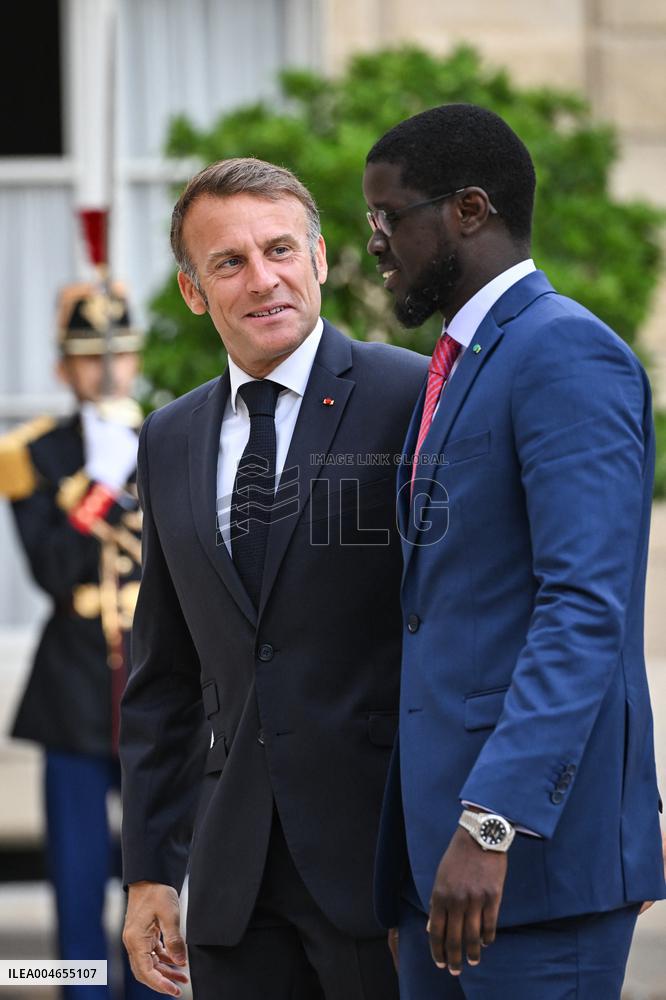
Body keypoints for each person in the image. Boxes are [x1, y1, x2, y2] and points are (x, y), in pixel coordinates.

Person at [362, 103, 666, 999]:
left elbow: (583, 608)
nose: (376, 242)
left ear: (469, 210)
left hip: (526, 867)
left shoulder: (566, 352)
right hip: (435, 875)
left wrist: (491, 822)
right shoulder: (456, 365)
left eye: (390, 215)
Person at [119, 157, 427, 1000]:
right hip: (231, 881)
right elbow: (164, 672)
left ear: (322, 259)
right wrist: (150, 870)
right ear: (193, 291)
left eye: (281, 250)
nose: (264, 279)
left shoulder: (412, 395)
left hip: (379, 867)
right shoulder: (170, 436)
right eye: (229, 262)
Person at [0, 283, 152, 999]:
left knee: (158, 879)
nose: (107, 371)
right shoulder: (34, 453)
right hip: (71, 695)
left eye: (119, 355)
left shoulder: (169, 436)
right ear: (64, 369)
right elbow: (54, 572)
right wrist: (101, 479)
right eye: (90, 358)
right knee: (76, 879)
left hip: (153, 692)